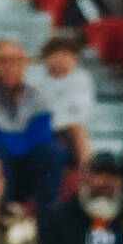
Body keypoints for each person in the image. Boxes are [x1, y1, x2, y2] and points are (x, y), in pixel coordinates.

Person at [0, 40, 63, 214]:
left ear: (25, 64)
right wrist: (15, 142)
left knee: (52, 152)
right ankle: (2, 217)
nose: (9, 66)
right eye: (3, 60)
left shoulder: (38, 90)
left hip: (26, 161)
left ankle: (47, 218)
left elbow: (42, 135)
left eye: (16, 60)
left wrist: (8, 143)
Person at [29, 32, 95, 167]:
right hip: (37, 123)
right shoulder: (34, 75)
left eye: (66, 54)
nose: (60, 59)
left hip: (66, 127)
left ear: (74, 58)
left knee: (78, 131)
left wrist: (59, 124)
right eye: (56, 54)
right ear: (47, 56)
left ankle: (87, 175)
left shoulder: (81, 78)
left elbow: (80, 112)